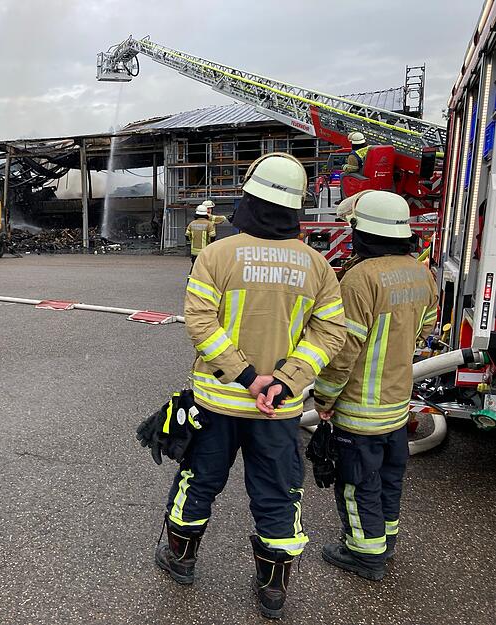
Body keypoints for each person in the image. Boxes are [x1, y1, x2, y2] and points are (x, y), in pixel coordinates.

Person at [154, 152, 346, 619]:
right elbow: (330, 334)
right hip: (277, 410)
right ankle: (272, 590)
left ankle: (181, 559)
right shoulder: (316, 265)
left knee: (199, 481)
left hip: (217, 402)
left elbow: (200, 323)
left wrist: (244, 376)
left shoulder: (217, 255)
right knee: (278, 493)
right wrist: (284, 381)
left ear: (250, 198)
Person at [314, 190, 437, 581]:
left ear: (362, 231)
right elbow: (426, 326)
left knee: (357, 483)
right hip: (397, 406)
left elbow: (343, 352)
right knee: (388, 479)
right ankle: (385, 541)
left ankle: (364, 554)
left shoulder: (360, 279)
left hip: (360, 411)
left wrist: (324, 398)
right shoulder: (421, 272)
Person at [185, 203, 215, 269]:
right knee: (204, 268)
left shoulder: (192, 223)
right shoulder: (209, 224)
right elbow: (212, 236)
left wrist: (191, 241)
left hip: (194, 251)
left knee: (194, 267)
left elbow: (187, 235)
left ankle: (191, 275)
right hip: (205, 251)